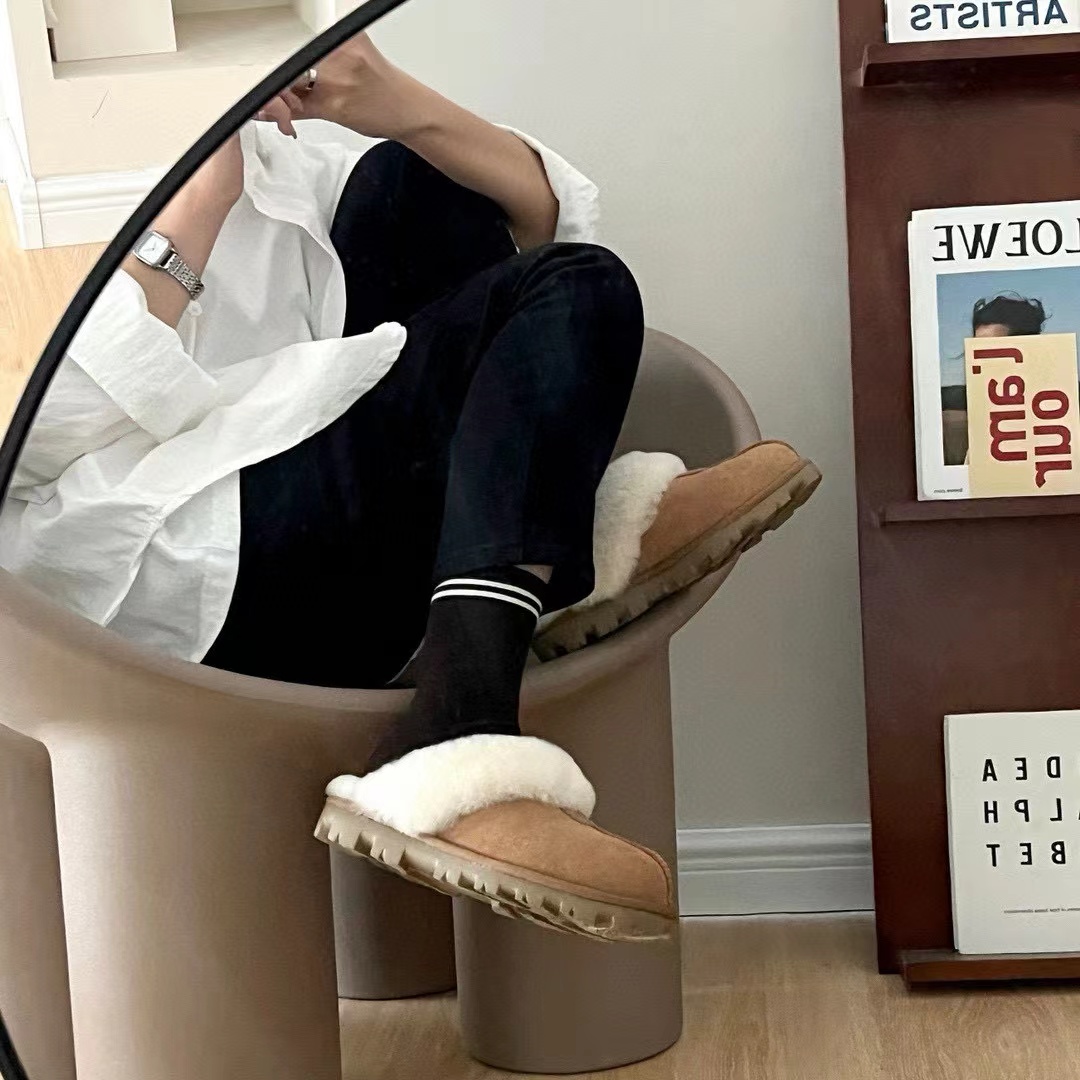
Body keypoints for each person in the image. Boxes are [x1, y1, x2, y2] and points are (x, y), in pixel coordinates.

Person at [1, 35, 820, 940]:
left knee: (421, 180)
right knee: (568, 284)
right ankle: (459, 714)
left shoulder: (281, 165)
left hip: (315, 533)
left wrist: (396, 102)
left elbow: (546, 227)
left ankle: (536, 569)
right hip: (182, 583)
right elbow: (33, 437)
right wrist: (194, 204)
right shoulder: (40, 181)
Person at [941, 294, 1048, 465]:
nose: (984, 363)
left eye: (995, 352)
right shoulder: (974, 427)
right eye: (978, 352)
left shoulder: (1060, 417)